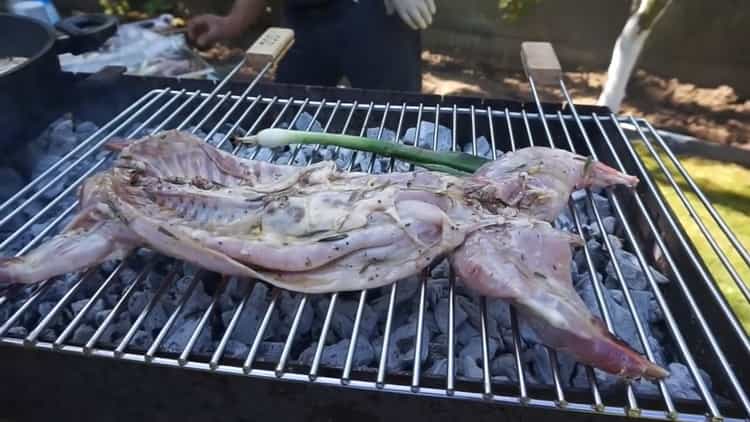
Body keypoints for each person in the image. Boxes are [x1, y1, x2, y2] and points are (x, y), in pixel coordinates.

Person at [188, 0, 437, 92]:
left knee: (394, 118)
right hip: (305, 16)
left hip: (374, 13)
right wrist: (233, 23)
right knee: (292, 114)